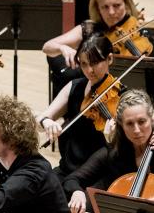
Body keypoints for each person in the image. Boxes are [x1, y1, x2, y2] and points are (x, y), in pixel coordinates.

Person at [43, 0, 154, 94]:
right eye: (105, 7)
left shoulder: (138, 33)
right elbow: (47, 46)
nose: (111, 12)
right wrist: (62, 48)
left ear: (126, 4)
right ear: (97, 8)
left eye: (117, 5)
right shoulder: (90, 28)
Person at [37, 31, 116, 179]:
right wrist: (46, 121)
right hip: (68, 169)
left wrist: (113, 138)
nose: (89, 70)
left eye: (95, 63)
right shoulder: (74, 86)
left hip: (98, 174)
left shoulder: (121, 95)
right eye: (84, 64)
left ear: (109, 59)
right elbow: (39, 120)